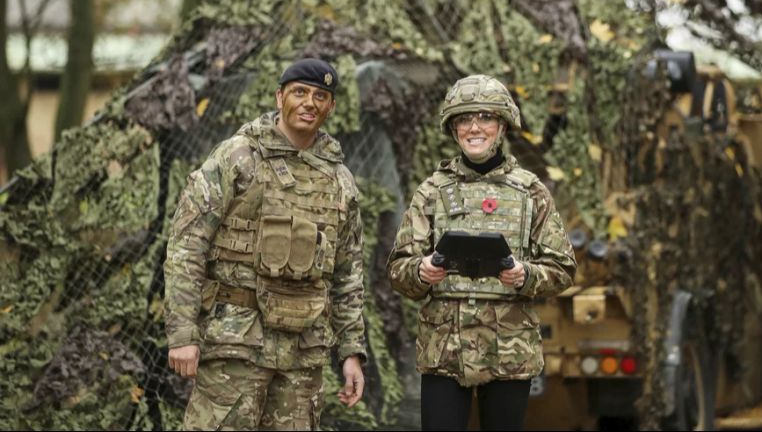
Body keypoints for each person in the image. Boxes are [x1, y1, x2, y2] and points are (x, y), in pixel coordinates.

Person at [165, 58, 367, 430]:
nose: (309, 102)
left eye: (320, 95)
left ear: (332, 106)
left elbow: (347, 274)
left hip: (303, 353)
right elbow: (186, 245)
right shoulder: (237, 157)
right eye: (299, 93)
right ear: (279, 97)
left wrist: (351, 353)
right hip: (236, 343)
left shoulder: (340, 180)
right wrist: (182, 333)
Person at [387, 74, 576, 431]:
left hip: (509, 349)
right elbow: (398, 269)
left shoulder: (531, 192)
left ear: (502, 125)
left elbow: (563, 267)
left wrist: (526, 275)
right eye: (464, 119)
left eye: (485, 117)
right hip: (444, 348)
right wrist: (421, 271)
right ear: (453, 128)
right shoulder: (432, 191)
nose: (474, 127)